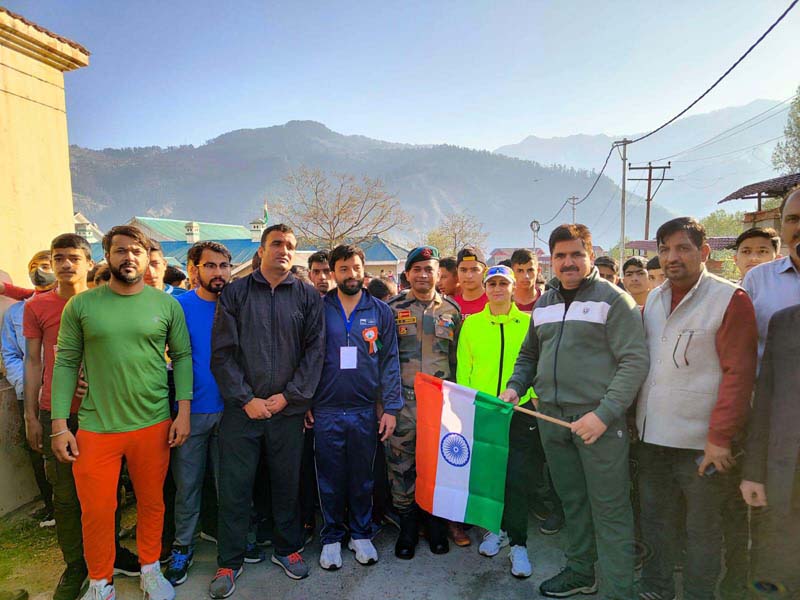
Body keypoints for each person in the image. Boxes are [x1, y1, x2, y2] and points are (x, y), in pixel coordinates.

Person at [501, 223, 649, 599]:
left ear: (589, 253)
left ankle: (619, 590)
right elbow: (529, 355)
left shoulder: (614, 300)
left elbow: (633, 361)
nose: (568, 263)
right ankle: (582, 571)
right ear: (551, 260)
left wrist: (604, 414)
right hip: (551, 420)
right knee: (573, 502)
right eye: (561, 256)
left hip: (597, 423)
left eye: (576, 254)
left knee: (610, 510)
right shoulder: (544, 304)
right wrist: (516, 387)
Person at [50, 225, 192, 600]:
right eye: (121, 251)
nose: (129, 257)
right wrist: (60, 424)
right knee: (97, 510)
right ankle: (100, 581)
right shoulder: (81, 306)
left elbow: (181, 357)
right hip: (97, 427)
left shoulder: (166, 305)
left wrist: (183, 412)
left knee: (152, 502)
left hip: (154, 423)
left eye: (137, 251)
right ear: (107, 256)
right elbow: (65, 363)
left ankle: (149, 570)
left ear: (147, 259)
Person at [635, 217, 758, 600]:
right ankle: (657, 589)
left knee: (701, 531)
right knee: (656, 523)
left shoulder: (729, 299)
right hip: (653, 437)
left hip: (702, 446)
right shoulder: (654, 299)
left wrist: (720, 438)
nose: (673, 257)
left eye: (683, 248)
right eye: (666, 249)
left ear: (704, 252)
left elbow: (739, 374)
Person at [209, 224, 324, 597]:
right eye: (276, 244)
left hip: (286, 412)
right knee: (236, 488)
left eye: (291, 245)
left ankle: (287, 549)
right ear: (261, 250)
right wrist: (246, 399)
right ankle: (230, 560)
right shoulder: (236, 293)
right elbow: (222, 354)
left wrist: (289, 397)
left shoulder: (307, 297)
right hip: (243, 412)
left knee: (286, 485)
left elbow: (314, 354)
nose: (284, 251)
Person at [310, 244, 402, 570]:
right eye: (344, 269)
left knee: (363, 477)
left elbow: (390, 362)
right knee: (330, 478)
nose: (351, 274)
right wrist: (306, 399)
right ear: (333, 272)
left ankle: (361, 534)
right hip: (327, 409)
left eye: (356, 268)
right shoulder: (318, 309)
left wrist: (390, 407)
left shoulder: (380, 311)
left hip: (365, 410)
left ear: (365, 270)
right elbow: (307, 359)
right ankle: (332, 536)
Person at [457, 265, 539, 578]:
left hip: (519, 412)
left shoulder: (529, 323)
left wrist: (528, 395)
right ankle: (494, 530)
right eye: (491, 284)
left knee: (517, 479)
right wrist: (468, 405)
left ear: (513, 286)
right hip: (484, 411)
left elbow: (535, 365)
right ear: (485, 287)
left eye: (502, 283)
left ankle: (519, 543)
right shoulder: (472, 324)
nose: (496, 289)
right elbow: (464, 368)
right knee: (488, 477)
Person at [387, 246, 462, 558]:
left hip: (440, 407)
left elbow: (458, 362)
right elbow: (382, 359)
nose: (422, 275)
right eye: (416, 269)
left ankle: (435, 524)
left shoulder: (451, 311)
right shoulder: (390, 309)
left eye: (428, 269)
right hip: (402, 405)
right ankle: (406, 526)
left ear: (437, 274)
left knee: (437, 466)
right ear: (407, 274)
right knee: (400, 466)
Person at [165, 242, 232, 586]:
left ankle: (232, 547)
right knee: (187, 486)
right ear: (194, 269)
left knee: (229, 486)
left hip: (233, 412)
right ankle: (183, 547)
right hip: (191, 413)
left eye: (224, 266)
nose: (218, 272)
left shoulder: (236, 305)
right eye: (210, 266)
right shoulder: (178, 305)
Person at [740, 300, 800, 596]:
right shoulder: (785, 321)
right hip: (788, 478)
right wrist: (753, 472)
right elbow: (765, 400)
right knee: (778, 573)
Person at [1, 250, 55, 529]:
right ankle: (52, 506)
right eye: (35, 266)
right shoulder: (16, 313)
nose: (40, 270)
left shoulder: (68, 304)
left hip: (66, 390)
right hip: (31, 392)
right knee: (37, 448)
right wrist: (26, 383)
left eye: (46, 265)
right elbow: (10, 354)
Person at [743, 188, 800, 362]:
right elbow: (741, 345)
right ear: (781, 226)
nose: (799, 226)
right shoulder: (757, 279)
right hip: (772, 386)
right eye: (792, 219)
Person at [453, 246, 488, 318]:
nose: (469, 276)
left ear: (484, 271)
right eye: (463, 270)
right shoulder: (451, 305)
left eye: (474, 270)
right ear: (457, 271)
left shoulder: (495, 302)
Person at [509, 248, 542, 313]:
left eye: (530, 270)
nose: (526, 276)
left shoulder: (547, 302)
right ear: (512, 273)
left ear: (538, 271)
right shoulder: (503, 302)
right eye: (520, 271)